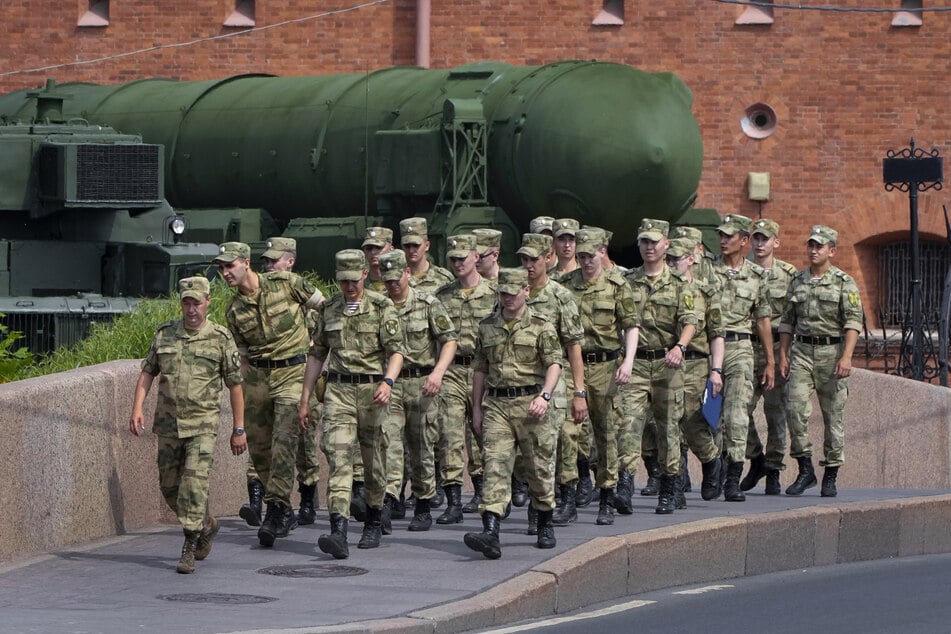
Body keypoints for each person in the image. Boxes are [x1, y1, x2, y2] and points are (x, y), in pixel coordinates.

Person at [129, 276, 246, 574]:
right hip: (168, 425)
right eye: (186, 302)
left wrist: (238, 428)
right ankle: (206, 524)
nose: (191, 309)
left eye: (197, 302)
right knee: (170, 488)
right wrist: (137, 408)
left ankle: (190, 545)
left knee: (194, 486)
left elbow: (235, 385)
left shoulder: (220, 338)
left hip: (202, 427)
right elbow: (147, 373)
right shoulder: (165, 334)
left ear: (207, 302)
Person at [215, 241, 325, 547]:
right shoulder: (234, 310)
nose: (226, 273)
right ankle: (283, 508)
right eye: (222, 268)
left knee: (283, 441)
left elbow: (326, 309)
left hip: (293, 372)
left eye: (230, 265)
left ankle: (276, 509)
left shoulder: (287, 284)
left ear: (246, 263)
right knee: (260, 448)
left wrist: (320, 351)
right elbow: (244, 358)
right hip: (259, 379)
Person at [299, 249, 404, 559]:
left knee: (374, 463)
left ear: (363, 275)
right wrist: (305, 399)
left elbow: (397, 350)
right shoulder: (329, 309)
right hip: (339, 392)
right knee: (339, 459)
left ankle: (373, 519)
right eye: (343, 281)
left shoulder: (382, 306)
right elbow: (317, 355)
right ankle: (338, 530)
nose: (348, 286)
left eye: (353, 280)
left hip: (373, 390)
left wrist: (388, 381)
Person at [463, 267, 563, 559]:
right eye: (502, 293)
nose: (506, 297)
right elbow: (480, 368)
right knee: (494, 464)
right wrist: (477, 408)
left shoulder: (542, 326)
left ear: (526, 292)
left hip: (531, 404)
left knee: (539, 469)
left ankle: (545, 521)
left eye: (511, 292)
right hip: (497, 406)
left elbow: (555, 363)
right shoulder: (487, 326)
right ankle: (491, 531)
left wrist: (545, 395)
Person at [617, 220, 698, 515]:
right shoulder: (627, 281)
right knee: (628, 424)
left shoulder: (679, 285)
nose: (649, 247)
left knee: (668, 429)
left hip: (668, 364)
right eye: (644, 242)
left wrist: (681, 346)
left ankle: (669, 488)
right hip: (636, 364)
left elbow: (690, 320)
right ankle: (624, 486)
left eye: (654, 242)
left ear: (666, 244)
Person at [560, 227, 638, 525]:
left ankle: (607, 496)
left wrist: (628, 362)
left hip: (607, 367)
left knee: (606, 435)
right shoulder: (565, 285)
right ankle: (570, 495)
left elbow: (631, 326)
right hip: (573, 367)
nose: (586, 262)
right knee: (568, 432)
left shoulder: (617, 285)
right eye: (581, 256)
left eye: (590, 256)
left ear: (601, 253)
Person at [779, 225, 863, 497]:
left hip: (832, 354)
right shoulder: (798, 280)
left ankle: (830, 474)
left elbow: (853, 322)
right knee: (794, 409)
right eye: (811, 245)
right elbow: (787, 321)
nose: (814, 250)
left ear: (832, 250)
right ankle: (805, 468)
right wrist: (783, 354)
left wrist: (847, 357)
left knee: (833, 417)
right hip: (802, 352)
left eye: (820, 246)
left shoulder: (844, 282)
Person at [378, 249, 458, 532]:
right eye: (387, 280)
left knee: (422, 446)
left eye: (397, 278)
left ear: (407, 274)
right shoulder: (379, 305)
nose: (393, 284)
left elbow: (449, 340)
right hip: (391, 384)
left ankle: (423, 503)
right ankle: (387, 502)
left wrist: (438, 372)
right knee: (389, 443)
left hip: (421, 383)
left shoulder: (427, 303)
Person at [252, 236, 323, 525]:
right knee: (270, 441)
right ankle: (268, 503)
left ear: (289, 261)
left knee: (304, 442)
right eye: (266, 260)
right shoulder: (260, 292)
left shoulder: (300, 290)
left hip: (301, 374)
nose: (269, 265)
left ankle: (307, 497)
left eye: (274, 259)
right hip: (268, 376)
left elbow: (327, 314)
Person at [518, 233, 586, 529]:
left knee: (565, 438)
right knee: (530, 445)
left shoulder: (561, 296)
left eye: (534, 259)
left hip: (559, 379)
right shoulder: (513, 292)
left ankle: (567, 496)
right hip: (522, 380)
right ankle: (537, 504)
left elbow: (573, 346)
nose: (528, 265)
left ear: (548, 259)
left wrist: (579, 392)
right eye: (524, 259)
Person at [435, 234, 498, 524]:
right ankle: (453, 500)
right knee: (449, 434)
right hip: (451, 371)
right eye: (453, 259)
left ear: (476, 257)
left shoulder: (495, 294)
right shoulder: (442, 296)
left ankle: (486, 490)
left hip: (482, 371)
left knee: (482, 432)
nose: (458, 263)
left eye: (463, 257)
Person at [712, 214, 775, 502]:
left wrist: (771, 361)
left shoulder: (757, 277)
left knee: (737, 413)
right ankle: (711, 468)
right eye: (721, 235)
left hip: (740, 348)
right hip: (710, 348)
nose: (723, 240)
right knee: (708, 415)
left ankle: (732, 479)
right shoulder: (706, 272)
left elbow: (762, 321)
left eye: (729, 236)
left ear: (744, 241)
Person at [739, 219, 798, 495]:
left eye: (765, 239)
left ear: (776, 242)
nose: (760, 244)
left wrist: (783, 356)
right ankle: (756, 458)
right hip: (747, 348)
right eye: (756, 239)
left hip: (776, 346)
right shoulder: (742, 272)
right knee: (738, 408)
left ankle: (773, 469)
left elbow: (792, 318)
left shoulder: (789, 274)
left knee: (776, 413)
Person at [664, 237, 725, 502]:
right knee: (668, 423)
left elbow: (717, 335)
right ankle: (675, 483)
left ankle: (711, 460)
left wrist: (716, 370)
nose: (671, 264)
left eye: (676, 259)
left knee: (691, 421)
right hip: (665, 363)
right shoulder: (661, 290)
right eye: (668, 259)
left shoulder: (705, 292)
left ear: (691, 259)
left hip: (696, 362)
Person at [400, 217, 454, 294]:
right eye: (407, 246)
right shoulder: (396, 278)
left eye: (416, 245)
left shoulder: (444, 279)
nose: (411, 250)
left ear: (427, 245)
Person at [362, 226, 395, 293]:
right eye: (369, 248)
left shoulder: (401, 284)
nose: (373, 252)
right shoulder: (358, 286)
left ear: (391, 249)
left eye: (378, 247)